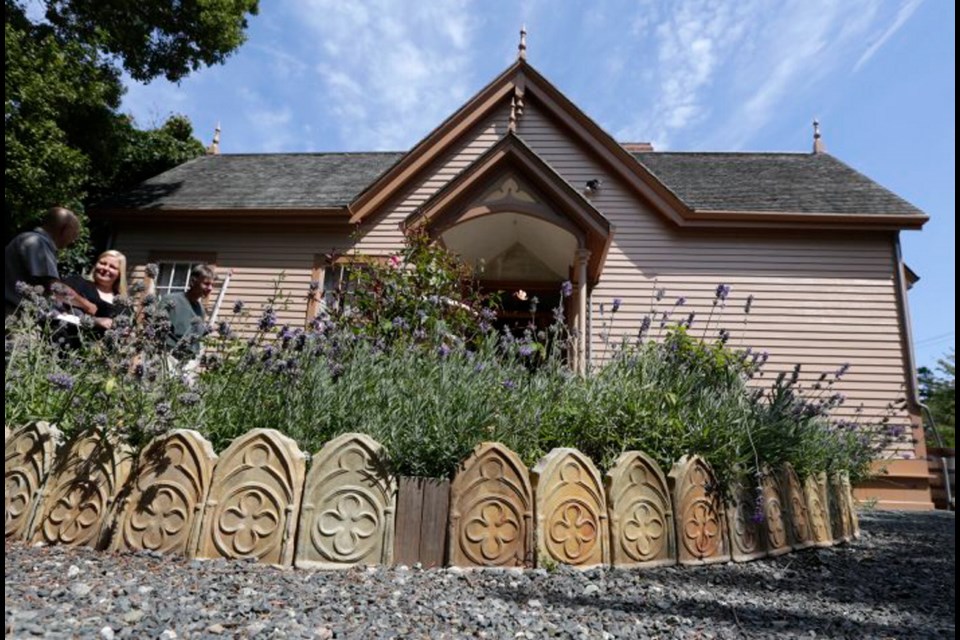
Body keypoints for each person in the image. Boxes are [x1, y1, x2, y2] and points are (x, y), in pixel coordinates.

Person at [4, 206, 96, 317]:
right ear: (65, 229)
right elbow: (54, 287)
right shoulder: (37, 243)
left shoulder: (29, 240)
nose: (74, 239)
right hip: (13, 316)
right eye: (74, 233)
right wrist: (87, 305)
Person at [62, 250, 128, 330]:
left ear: (120, 274)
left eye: (112, 267)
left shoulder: (122, 304)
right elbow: (58, 291)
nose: (106, 268)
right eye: (102, 263)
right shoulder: (78, 282)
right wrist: (88, 309)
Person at [164, 264, 216, 359]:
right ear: (192, 282)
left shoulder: (201, 309)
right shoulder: (171, 300)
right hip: (168, 355)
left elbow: (195, 336)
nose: (210, 288)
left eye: (212, 285)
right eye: (206, 284)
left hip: (189, 360)